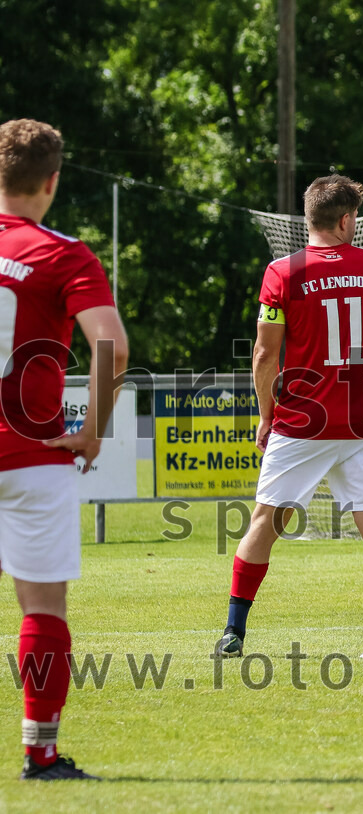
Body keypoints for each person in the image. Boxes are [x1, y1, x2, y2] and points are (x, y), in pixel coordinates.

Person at [213, 174, 363, 660]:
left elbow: (263, 354)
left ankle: (234, 632)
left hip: (302, 420)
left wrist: (266, 414)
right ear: (345, 220)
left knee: (265, 521)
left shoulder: (283, 272)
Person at [0, 119, 129, 780]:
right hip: (32, 452)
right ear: (51, 182)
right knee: (43, 611)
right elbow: (113, 345)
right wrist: (94, 427)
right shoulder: (63, 253)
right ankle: (40, 752)